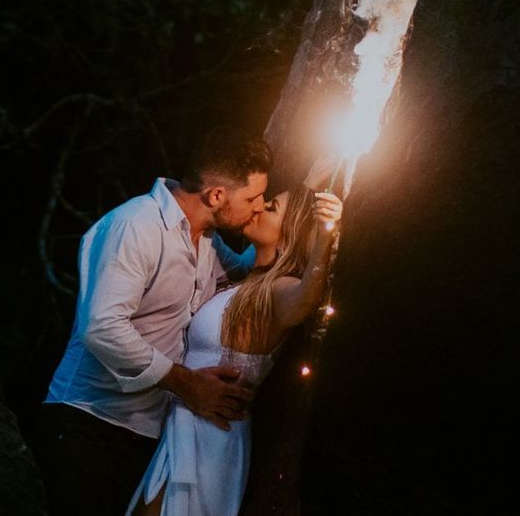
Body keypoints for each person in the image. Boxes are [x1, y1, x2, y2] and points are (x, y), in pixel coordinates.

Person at [35, 126, 273, 516]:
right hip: (88, 425)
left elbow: (247, 276)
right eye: (253, 197)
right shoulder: (135, 226)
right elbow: (103, 328)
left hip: (146, 434)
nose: (259, 206)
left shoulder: (207, 240)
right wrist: (187, 384)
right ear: (216, 196)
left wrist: (306, 229)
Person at [127, 165, 345, 516]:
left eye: (270, 207)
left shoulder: (277, 291)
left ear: (290, 234)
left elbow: (307, 296)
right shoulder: (244, 278)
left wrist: (326, 232)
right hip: (186, 421)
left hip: (213, 436)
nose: (258, 207)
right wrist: (309, 182)